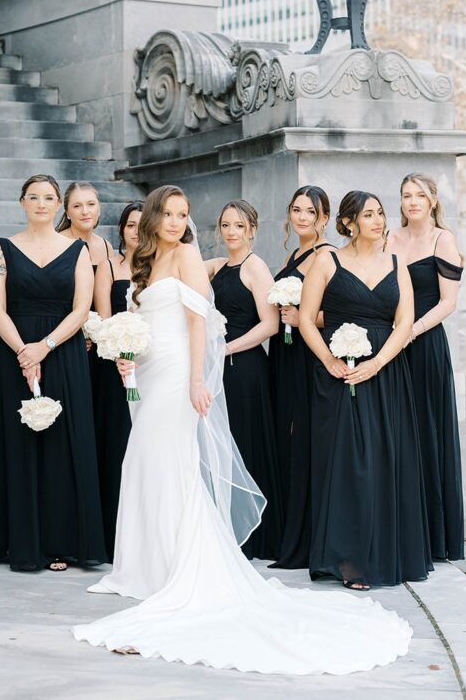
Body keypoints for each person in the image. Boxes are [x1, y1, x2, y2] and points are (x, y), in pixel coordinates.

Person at [73, 186, 413, 675]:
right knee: (143, 460)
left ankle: (176, 566)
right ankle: (140, 564)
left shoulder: (190, 255)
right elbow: (144, 320)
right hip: (148, 372)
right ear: (153, 218)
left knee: (174, 460)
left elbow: (200, 323)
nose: (175, 222)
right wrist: (127, 356)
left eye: (183, 214)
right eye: (167, 214)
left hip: (178, 375)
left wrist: (197, 377)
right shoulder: (146, 261)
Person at [300, 190, 433, 589]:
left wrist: (377, 363)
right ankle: (349, 560)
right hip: (339, 375)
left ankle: (386, 553)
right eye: (368, 215)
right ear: (349, 222)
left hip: (387, 375)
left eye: (380, 213)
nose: (378, 220)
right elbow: (307, 319)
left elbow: (405, 322)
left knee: (384, 461)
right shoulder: (328, 261)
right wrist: (329, 361)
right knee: (347, 466)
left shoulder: (397, 263)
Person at [0, 173, 106, 572]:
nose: (40, 203)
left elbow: (82, 308)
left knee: (60, 447)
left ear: (58, 206)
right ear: (22, 202)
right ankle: (14, 541)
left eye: (48, 197)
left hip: (62, 352)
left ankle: (60, 542)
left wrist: (45, 347)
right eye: (32, 197)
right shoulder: (2, 249)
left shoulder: (78, 251)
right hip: (12, 353)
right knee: (15, 443)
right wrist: (23, 350)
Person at [388, 173, 464, 561]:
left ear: (433, 200)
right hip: (390, 346)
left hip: (424, 343)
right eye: (406, 195)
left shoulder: (442, 240)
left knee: (427, 430)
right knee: (397, 431)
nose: (413, 201)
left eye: (420, 195)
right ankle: (400, 526)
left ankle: (435, 536)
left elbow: (447, 302)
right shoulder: (389, 239)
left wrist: (411, 330)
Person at [204, 200, 281, 559]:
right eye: (225, 225)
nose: (231, 232)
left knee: (247, 442)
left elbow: (269, 324)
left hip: (246, 365)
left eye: (239, 225)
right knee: (227, 441)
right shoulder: (219, 266)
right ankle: (227, 526)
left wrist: (227, 348)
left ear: (252, 229)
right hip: (222, 366)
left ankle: (257, 535)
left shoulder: (256, 268)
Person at [269, 186, 335, 570]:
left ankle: (308, 537)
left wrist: (303, 318)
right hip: (286, 352)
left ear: (324, 217)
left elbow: (338, 309)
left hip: (307, 356)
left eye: (310, 211)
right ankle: (289, 529)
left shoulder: (325, 255)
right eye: (296, 210)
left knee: (304, 438)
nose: (302, 217)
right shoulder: (295, 254)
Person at [92, 201, 143, 559]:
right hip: (113, 369)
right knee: (115, 445)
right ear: (122, 230)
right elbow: (104, 318)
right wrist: (119, 357)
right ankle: (113, 535)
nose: (136, 231)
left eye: (143, 224)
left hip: (150, 365)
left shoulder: (160, 265)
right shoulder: (109, 265)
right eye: (130, 225)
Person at [57, 181, 114, 270]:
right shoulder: (56, 243)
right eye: (77, 206)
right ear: (67, 213)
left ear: (99, 209)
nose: (85, 212)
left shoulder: (106, 247)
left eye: (91, 204)